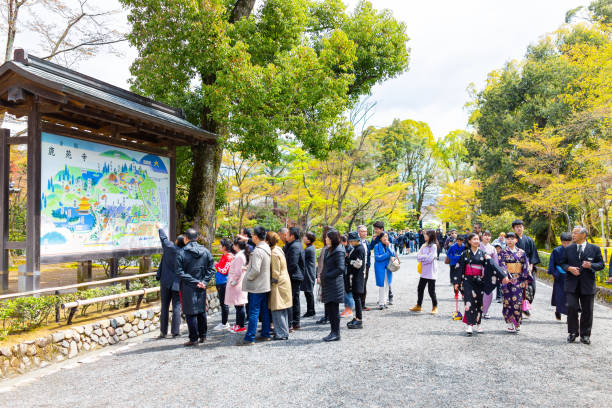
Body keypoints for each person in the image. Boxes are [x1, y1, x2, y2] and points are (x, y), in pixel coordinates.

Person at [560, 226, 605, 345]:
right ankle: (573, 332)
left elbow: (601, 264)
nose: (572, 235)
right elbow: (562, 263)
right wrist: (569, 268)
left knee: (587, 310)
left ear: (583, 235)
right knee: (572, 307)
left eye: (575, 233)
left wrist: (591, 265)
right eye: (572, 233)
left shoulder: (594, 249)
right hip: (571, 284)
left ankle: (585, 335)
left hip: (587, 284)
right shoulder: (569, 249)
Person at [458, 233, 508, 336]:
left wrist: (502, 275)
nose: (476, 241)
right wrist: (457, 281)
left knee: (479, 303)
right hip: (467, 280)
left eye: (477, 239)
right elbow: (459, 268)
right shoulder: (465, 254)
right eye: (474, 239)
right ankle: (470, 325)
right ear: (469, 241)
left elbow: (493, 264)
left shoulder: (483, 254)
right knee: (469, 302)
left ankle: (478, 323)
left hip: (479, 280)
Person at [175, 228, 215, 347]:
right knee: (201, 310)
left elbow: (179, 272)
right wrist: (203, 281)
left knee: (190, 312)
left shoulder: (181, 252)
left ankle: (193, 338)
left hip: (188, 285)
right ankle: (203, 335)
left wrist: (195, 281)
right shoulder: (205, 251)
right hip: (201, 285)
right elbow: (212, 268)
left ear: (186, 238)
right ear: (197, 238)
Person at [237, 226, 272, 346]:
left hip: (257, 286)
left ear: (256, 237)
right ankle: (266, 334)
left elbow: (255, 270)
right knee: (264, 310)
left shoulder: (258, 251)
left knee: (253, 311)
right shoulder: (266, 247)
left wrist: (247, 277)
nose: (251, 237)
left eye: (252, 236)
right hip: (265, 284)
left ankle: (250, 337)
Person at [498, 232, 531, 333]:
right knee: (508, 302)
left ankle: (517, 322)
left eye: (512, 238)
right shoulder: (502, 252)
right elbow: (501, 265)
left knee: (517, 302)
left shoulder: (521, 252)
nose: (510, 240)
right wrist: (505, 275)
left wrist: (526, 278)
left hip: (519, 280)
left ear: (516, 240)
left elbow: (525, 265)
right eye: (508, 239)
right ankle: (510, 322)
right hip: (507, 280)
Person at [156, 226, 184, 339]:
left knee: (164, 307)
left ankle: (163, 332)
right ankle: (175, 332)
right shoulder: (184, 252)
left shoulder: (169, 247)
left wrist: (160, 228)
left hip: (165, 281)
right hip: (177, 283)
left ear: (177, 241)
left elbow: (163, 238)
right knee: (177, 306)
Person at [267, 231, 292, 341]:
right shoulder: (278, 249)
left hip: (278, 283)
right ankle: (284, 331)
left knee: (277, 309)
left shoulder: (273, 253)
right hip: (284, 281)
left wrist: (272, 282)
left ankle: (281, 333)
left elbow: (275, 271)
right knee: (282, 309)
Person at [321, 229, 346, 342]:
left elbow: (341, 268)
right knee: (330, 309)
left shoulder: (339, 250)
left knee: (334, 309)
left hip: (335, 284)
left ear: (332, 239)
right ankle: (333, 332)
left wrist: (327, 275)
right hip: (329, 283)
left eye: (327, 237)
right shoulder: (329, 249)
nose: (325, 239)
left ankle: (336, 333)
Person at [513, 219, 540, 314]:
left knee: (532, 288)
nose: (519, 228)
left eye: (520, 226)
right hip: (516, 268)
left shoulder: (529, 240)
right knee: (517, 289)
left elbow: (533, 254)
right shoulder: (512, 240)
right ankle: (519, 307)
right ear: (514, 229)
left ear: (523, 227)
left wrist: (531, 265)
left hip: (528, 267)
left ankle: (525, 305)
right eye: (517, 227)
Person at [409, 230, 439, 314]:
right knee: (420, 289)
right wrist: (426, 257)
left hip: (431, 271)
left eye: (426, 234)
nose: (424, 236)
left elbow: (430, 259)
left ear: (431, 235)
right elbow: (418, 257)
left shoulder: (433, 246)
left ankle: (435, 306)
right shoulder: (423, 245)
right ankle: (419, 305)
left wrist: (424, 258)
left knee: (431, 290)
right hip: (424, 271)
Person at [225, 238, 249, 333]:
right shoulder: (241, 255)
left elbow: (238, 272)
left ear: (237, 246)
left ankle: (240, 325)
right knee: (239, 305)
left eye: (234, 245)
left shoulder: (239, 256)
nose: (233, 246)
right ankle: (239, 325)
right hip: (239, 283)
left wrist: (232, 282)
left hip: (237, 284)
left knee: (239, 305)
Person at [547, 232, 572, 320]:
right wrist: (554, 273)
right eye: (564, 242)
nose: (566, 244)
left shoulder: (574, 250)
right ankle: (558, 309)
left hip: (571, 276)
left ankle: (570, 315)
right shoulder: (556, 250)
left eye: (568, 242)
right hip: (559, 276)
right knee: (560, 295)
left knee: (570, 296)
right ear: (561, 241)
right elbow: (552, 263)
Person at [284, 227, 304, 331]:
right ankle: (296, 322)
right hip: (295, 276)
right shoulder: (294, 244)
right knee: (294, 299)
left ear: (292, 236)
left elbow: (292, 264)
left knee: (290, 300)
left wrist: (285, 275)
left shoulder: (295, 246)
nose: (285, 235)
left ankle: (290, 323)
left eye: (287, 234)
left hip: (294, 276)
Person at [346, 231, 366, 329]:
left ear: (354, 240)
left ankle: (359, 319)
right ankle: (357, 317)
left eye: (351, 241)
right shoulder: (356, 248)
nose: (350, 243)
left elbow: (358, 264)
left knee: (357, 298)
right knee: (355, 297)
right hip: (355, 276)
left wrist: (349, 261)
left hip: (357, 276)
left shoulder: (360, 249)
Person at [213, 238, 234, 331]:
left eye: (220, 245)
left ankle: (224, 323)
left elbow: (224, 270)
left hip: (224, 282)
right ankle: (224, 322)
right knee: (223, 303)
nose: (219, 246)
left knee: (224, 303)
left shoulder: (228, 257)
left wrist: (216, 265)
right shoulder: (224, 255)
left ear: (224, 247)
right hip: (221, 282)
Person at [480, 231, 499, 319]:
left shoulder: (492, 248)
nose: (487, 237)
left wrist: (497, 273)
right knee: (477, 292)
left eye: (489, 236)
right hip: (477, 272)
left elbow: (495, 263)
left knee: (488, 292)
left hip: (489, 273)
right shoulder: (477, 245)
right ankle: (477, 310)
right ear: (482, 236)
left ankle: (485, 310)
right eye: (485, 235)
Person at [374, 232, 395, 309]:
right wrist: (387, 255)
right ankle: (381, 303)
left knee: (387, 285)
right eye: (383, 236)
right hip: (379, 268)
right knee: (381, 285)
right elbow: (377, 258)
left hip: (389, 267)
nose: (385, 238)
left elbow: (393, 254)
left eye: (386, 236)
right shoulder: (377, 246)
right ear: (380, 238)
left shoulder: (391, 245)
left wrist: (388, 246)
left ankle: (385, 302)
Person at [316, 226, 332, 324]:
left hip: (325, 275)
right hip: (324, 274)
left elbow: (322, 263)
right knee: (325, 296)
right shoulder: (327, 248)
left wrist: (319, 275)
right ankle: (327, 315)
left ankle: (328, 316)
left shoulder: (328, 248)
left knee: (326, 296)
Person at [301, 231, 317, 318]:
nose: (303, 238)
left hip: (308, 273)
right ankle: (310, 310)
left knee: (308, 292)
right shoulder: (310, 248)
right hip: (309, 272)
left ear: (309, 240)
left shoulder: (308, 249)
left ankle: (311, 310)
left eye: (305, 237)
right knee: (308, 292)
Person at [358, 225, 372, 311]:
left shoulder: (367, 242)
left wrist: (368, 264)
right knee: (357, 285)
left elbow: (369, 254)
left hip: (366, 266)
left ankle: (362, 304)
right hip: (358, 266)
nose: (365, 233)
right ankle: (357, 304)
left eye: (366, 231)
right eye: (363, 231)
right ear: (358, 232)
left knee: (364, 285)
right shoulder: (356, 242)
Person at [341, 234, 355, 318]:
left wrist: (346, 259)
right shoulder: (344, 248)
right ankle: (346, 308)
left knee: (348, 290)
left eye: (341, 242)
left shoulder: (350, 249)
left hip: (348, 272)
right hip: (344, 272)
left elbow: (350, 261)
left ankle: (350, 309)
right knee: (345, 290)